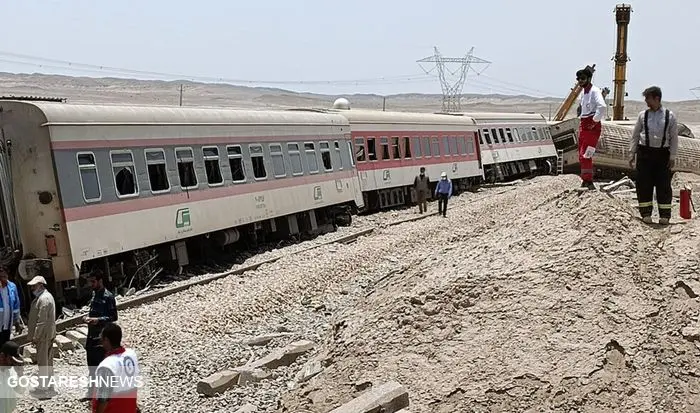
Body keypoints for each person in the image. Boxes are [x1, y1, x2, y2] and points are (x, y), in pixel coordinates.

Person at [628, 86, 678, 225]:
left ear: (657, 98)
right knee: (644, 184)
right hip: (645, 153)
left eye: (648, 98)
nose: (646, 101)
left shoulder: (670, 116)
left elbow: (674, 138)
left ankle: (665, 216)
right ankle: (645, 214)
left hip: (662, 155)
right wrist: (632, 153)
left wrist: (672, 156)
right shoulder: (642, 115)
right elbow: (635, 135)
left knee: (664, 185)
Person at [82, 269, 118, 401]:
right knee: (91, 366)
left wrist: (98, 320)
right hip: (92, 336)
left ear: (100, 281)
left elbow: (113, 316)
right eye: (90, 282)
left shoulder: (108, 297)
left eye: (93, 282)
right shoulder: (94, 295)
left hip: (102, 337)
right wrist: (88, 318)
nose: (91, 284)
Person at [92, 323, 140, 413]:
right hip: (129, 407)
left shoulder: (107, 365)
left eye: (101, 337)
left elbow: (104, 398)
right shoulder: (131, 354)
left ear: (106, 340)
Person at [575, 67, 607, 190]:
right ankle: (585, 179)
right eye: (578, 79)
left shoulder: (595, 91)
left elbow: (602, 106)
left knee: (586, 154)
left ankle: (588, 181)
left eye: (582, 78)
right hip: (584, 124)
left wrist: (594, 121)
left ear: (588, 78)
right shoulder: (584, 93)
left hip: (591, 126)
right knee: (581, 154)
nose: (580, 81)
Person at [27, 275, 56, 398]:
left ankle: (43, 389)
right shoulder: (45, 297)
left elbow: (41, 321)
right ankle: (49, 386)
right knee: (48, 362)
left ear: (40, 285)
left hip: (43, 336)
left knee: (43, 362)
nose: (32, 288)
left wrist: (35, 337)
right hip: (47, 334)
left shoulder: (43, 299)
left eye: (34, 286)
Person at [0, 266, 24, 348]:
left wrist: (16, 320)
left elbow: (16, 305)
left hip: (7, 322)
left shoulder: (12, 286)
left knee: (6, 342)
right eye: (1, 277)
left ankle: (4, 358)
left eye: (5, 276)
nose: (3, 279)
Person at [0, 341, 25, 412]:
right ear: (2, 356)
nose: (13, 364)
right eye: (11, 360)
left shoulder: (12, 372)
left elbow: (20, 391)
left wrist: (20, 375)